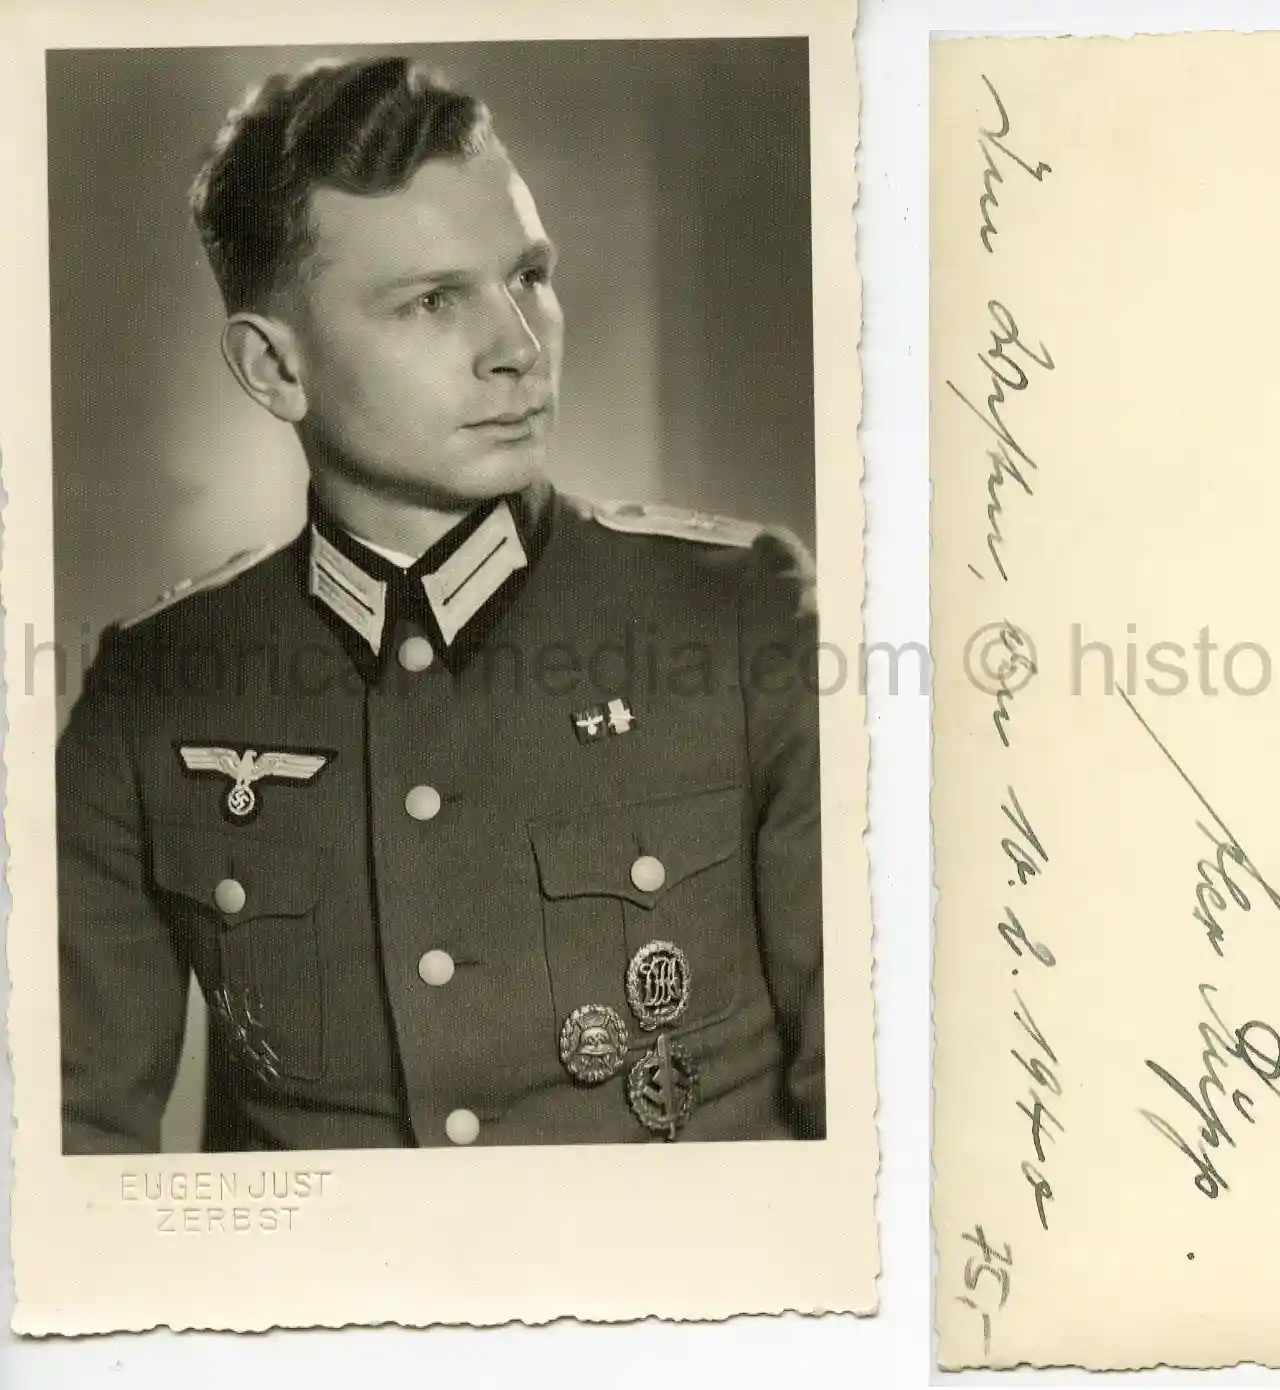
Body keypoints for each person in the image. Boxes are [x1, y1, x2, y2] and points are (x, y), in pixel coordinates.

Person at [56, 55, 824, 1153]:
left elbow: (872, 1129)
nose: (518, 348)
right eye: (430, 302)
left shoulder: (740, 618)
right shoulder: (153, 690)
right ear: (274, 370)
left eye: (529, 275)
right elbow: (76, 1167)